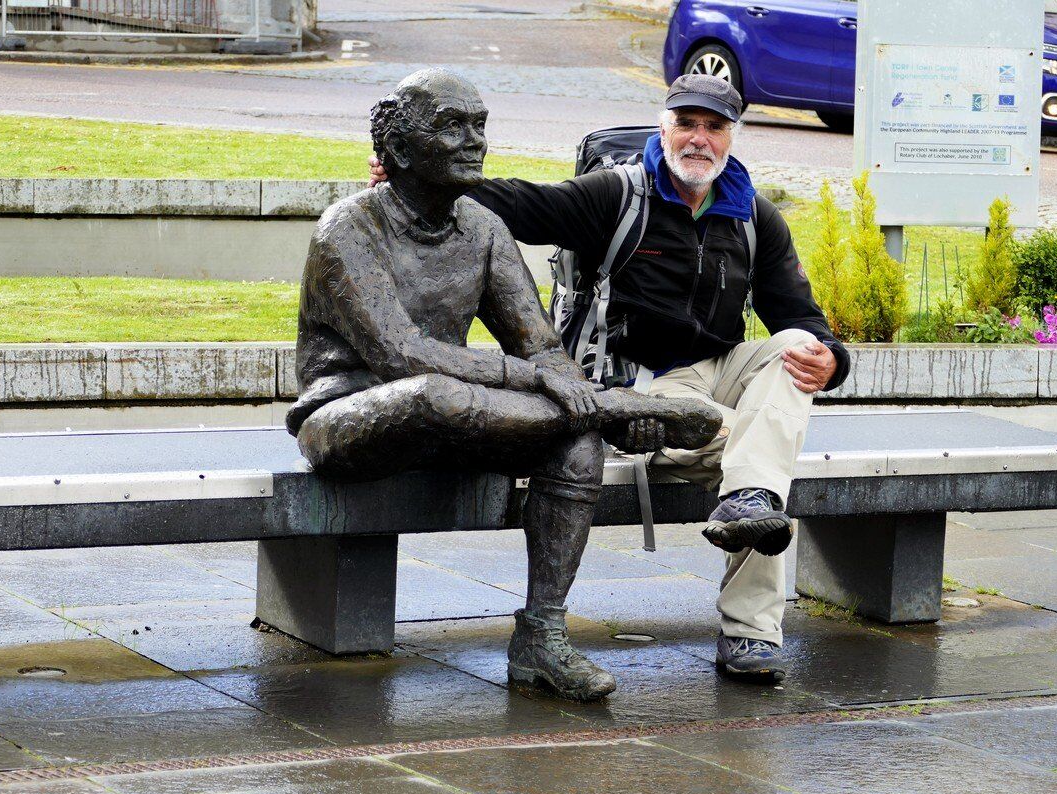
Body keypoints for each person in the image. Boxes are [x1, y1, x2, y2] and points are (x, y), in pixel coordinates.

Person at [369, 73, 852, 684]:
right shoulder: (618, 196)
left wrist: (830, 358)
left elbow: (800, 316)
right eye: (687, 124)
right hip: (641, 385)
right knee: (765, 456)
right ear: (664, 126)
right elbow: (524, 204)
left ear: (733, 136)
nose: (698, 139)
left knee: (794, 351)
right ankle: (752, 628)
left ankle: (748, 500)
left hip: (718, 370)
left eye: (714, 127)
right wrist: (417, 177)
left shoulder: (754, 215)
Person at [288, 68, 723, 702]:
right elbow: (403, 356)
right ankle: (611, 412)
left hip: (454, 418)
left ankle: (540, 640)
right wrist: (571, 393)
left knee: (576, 448)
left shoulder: (484, 229)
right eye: (451, 127)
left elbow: (542, 348)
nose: (475, 141)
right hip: (351, 417)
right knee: (432, 393)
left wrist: (563, 386)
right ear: (401, 150)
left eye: (480, 126)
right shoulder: (346, 229)